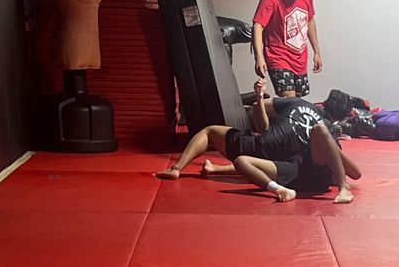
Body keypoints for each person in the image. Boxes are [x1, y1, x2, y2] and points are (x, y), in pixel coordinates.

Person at [156, 79, 364, 203]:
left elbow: (264, 123)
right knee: (274, 159)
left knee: (210, 131)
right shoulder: (326, 131)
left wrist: (258, 97)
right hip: (284, 160)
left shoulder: (299, 102)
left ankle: (177, 168)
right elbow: (356, 172)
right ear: (338, 118)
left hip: (263, 147)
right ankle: (343, 187)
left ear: (324, 102)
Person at [252, 0, 323, 98]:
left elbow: (309, 19)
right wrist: (259, 57)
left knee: (297, 102)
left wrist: (317, 52)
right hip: (278, 56)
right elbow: (258, 26)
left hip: (299, 56)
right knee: (289, 100)